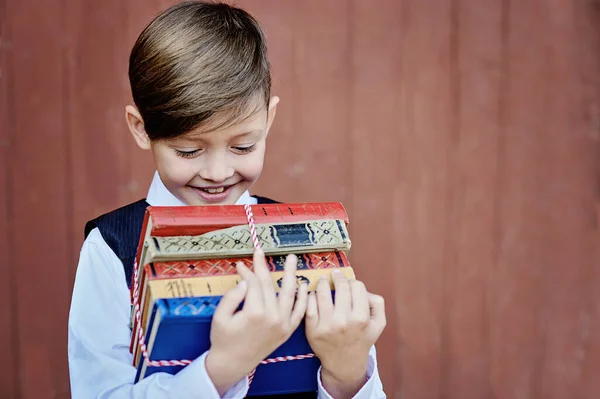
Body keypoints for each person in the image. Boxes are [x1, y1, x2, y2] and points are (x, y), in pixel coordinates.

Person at [67, 2, 387, 398]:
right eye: (188, 151)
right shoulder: (113, 248)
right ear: (141, 128)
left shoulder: (303, 238)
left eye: (243, 146)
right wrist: (223, 368)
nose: (217, 173)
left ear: (268, 120)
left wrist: (348, 374)